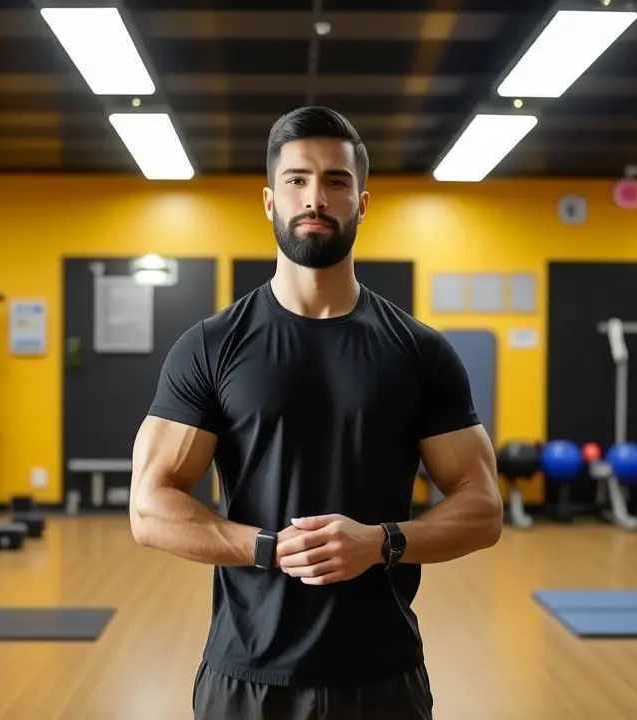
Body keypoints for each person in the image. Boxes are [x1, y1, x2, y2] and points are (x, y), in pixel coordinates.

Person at [129, 106, 503, 719]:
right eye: (297, 180)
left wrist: (383, 543)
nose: (316, 197)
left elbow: (483, 507)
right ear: (270, 201)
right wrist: (268, 548)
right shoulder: (211, 346)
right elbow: (150, 508)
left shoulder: (421, 352)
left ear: (362, 202)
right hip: (247, 677)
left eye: (336, 181)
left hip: (383, 677)